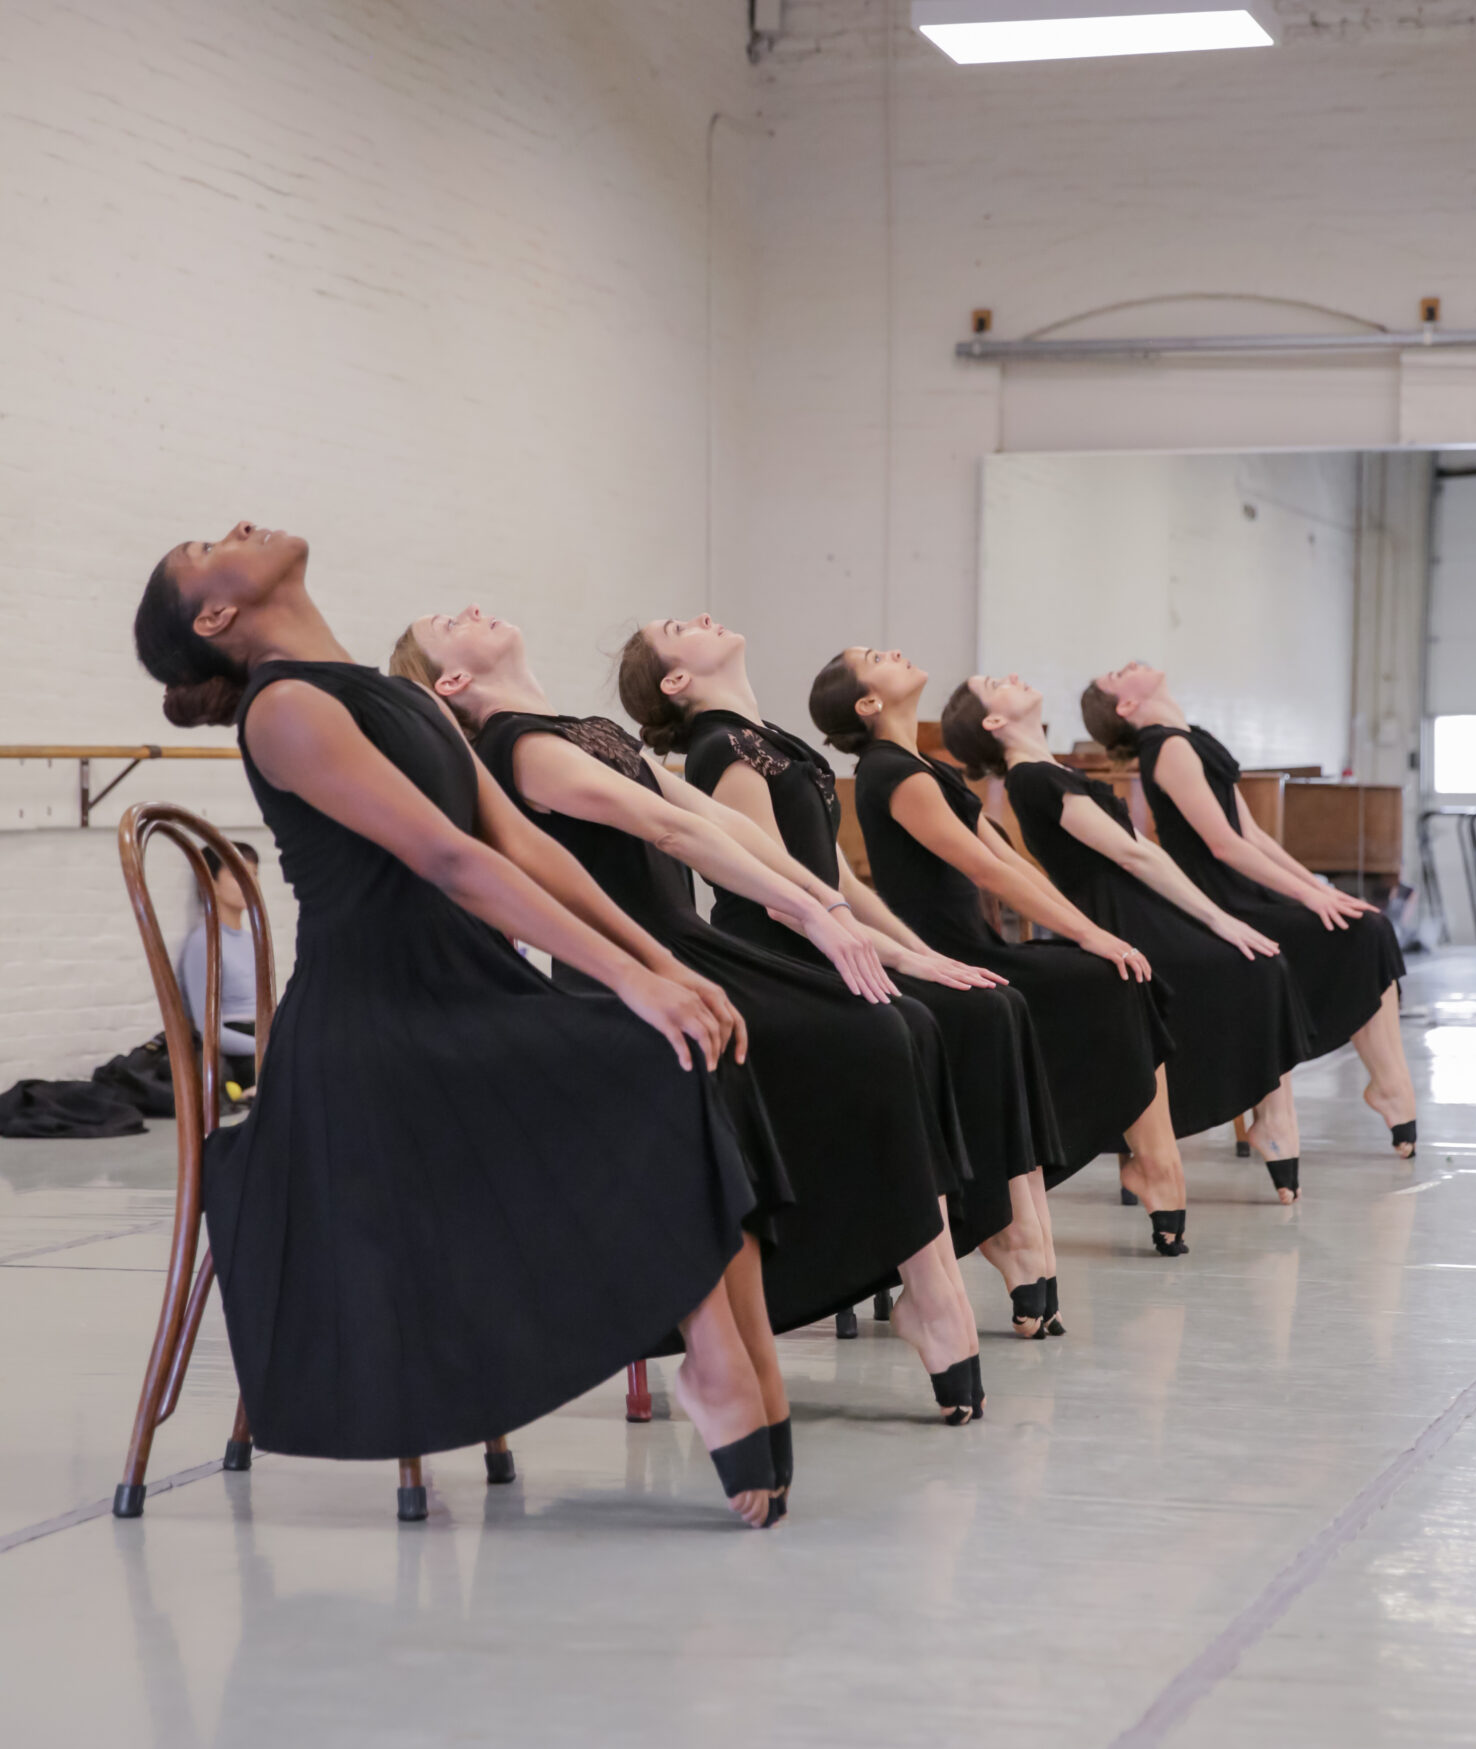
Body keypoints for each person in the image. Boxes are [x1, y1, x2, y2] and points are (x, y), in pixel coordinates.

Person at [132, 522, 785, 1530]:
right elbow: (449, 860)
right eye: (210, 545)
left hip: (464, 992)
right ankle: (712, 1361)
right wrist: (630, 984)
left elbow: (518, 841)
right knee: (648, 1053)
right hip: (376, 1024)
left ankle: (742, 1364)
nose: (240, 528)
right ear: (216, 615)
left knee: (690, 1038)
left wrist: (664, 963)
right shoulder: (285, 709)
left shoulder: (386, 690)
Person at [392, 607, 987, 1426]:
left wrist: (837, 913)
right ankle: (912, 1284)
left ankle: (923, 1281)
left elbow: (721, 821)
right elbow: (664, 827)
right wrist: (812, 918)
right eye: (445, 623)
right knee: (872, 1030)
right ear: (451, 680)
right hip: (631, 968)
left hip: (688, 944)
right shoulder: (516, 749)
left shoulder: (580, 728)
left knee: (906, 1018)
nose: (467, 611)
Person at [618, 613, 1069, 1332]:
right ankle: (986, 1234)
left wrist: (919, 953)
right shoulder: (719, 750)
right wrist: (892, 957)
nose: (704, 618)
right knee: (964, 1014)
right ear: (676, 681)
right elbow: (781, 891)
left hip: (829, 935)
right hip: (782, 953)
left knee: (995, 1002)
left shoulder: (770, 742)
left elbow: (837, 882)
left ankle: (1017, 1227)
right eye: (681, 626)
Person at [810, 645, 1193, 1257]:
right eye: (877, 657)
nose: (897, 651)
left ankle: (1154, 1160)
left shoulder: (924, 766)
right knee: (1115, 978)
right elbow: (985, 871)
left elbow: (1015, 862)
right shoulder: (890, 771)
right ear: (869, 702)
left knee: (1122, 971)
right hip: (946, 952)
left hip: (982, 942)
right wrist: (1091, 936)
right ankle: (1150, 1161)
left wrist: (1085, 930)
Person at [939, 672, 1311, 1204]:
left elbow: (1141, 851)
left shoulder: (1048, 771)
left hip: (1139, 909)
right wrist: (1218, 919)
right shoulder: (1033, 778)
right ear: (994, 721)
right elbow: (1133, 854)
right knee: (1255, 965)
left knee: (1260, 962)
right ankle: (1248, 1124)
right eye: (995, 683)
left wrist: (1216, 918)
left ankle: (1263, 1120)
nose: (1012, 678)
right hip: (1120, 920)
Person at [1081, 662, 1417, 1158]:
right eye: (1115, 675)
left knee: (1363, 922)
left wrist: (1319, 886)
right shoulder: (1167, 748)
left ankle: (1389, 1083)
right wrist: (1309, 897)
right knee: (1361, 933)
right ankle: (1384, 1088)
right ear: (1126, 706)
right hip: (1216, 898)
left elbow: (1252, 834)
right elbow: (1223, 846)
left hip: (1242, 889)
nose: (1126, 666)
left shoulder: (1192, 737)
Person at [178, 840, 261, 1093]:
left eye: (254, 875)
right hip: (243, 1050)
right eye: (238, 875)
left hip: (262, 1036)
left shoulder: (251, 940)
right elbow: (209, 1033)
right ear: (210, 882)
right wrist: (266, 1046)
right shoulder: (204, 943)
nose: (250, 883)